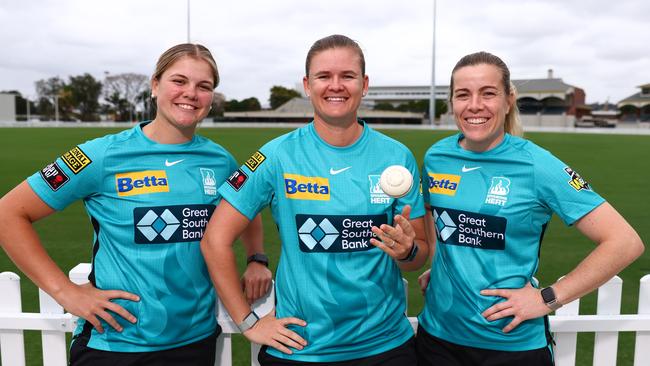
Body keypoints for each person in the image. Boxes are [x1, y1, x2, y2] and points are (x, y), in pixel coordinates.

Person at [0, 43, 271, 365]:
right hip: (114, 344)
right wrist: (65, 292)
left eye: (204, 86)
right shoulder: (100, 156)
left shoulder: (219, 160)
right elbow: (8, 212)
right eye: (179, 81)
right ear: (155, 85)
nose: (191, 93)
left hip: (194, 341)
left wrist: (256, 258)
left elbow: (245, 208)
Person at [200, 34, 429, 365]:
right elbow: (214, 240)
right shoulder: (276, 156)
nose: (335, 85)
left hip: (384, 348)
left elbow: (418, 255)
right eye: (324, 76)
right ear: (308, 85)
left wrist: (407, 250)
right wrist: (248, 322)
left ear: (364, 84)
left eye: (347, 76)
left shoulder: (397, 157)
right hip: (299, 349)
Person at [415, 51, 644, 366]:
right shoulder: (436, 157)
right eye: (463, 95)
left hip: (511, 346)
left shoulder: (538, 165)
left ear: (509, 100)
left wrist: (547, 298)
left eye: (488, 93)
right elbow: (440, 222)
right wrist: (444, 265)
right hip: (438, 341)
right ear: (451, 102)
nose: (475, 105)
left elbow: (624, 242)